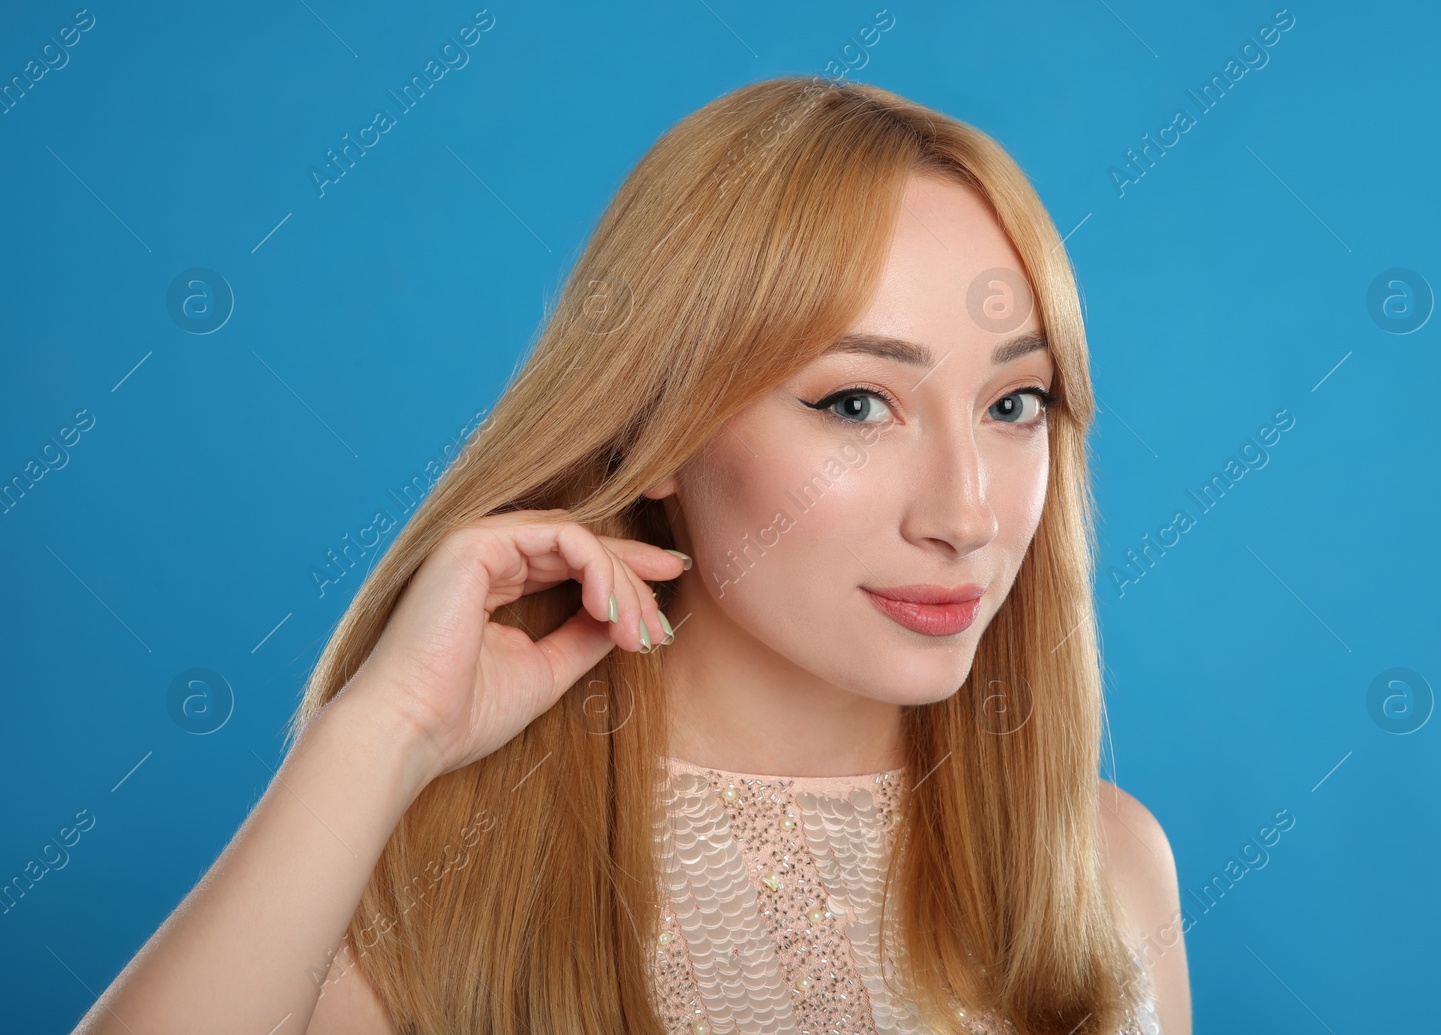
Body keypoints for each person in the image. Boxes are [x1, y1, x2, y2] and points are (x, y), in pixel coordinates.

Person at [70, 75, 1190, 1035]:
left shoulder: (1105, 864)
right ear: (662, 428)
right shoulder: (432, 872)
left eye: (1014, 401)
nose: (966, 511)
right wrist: (381, 732)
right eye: (856, 401)